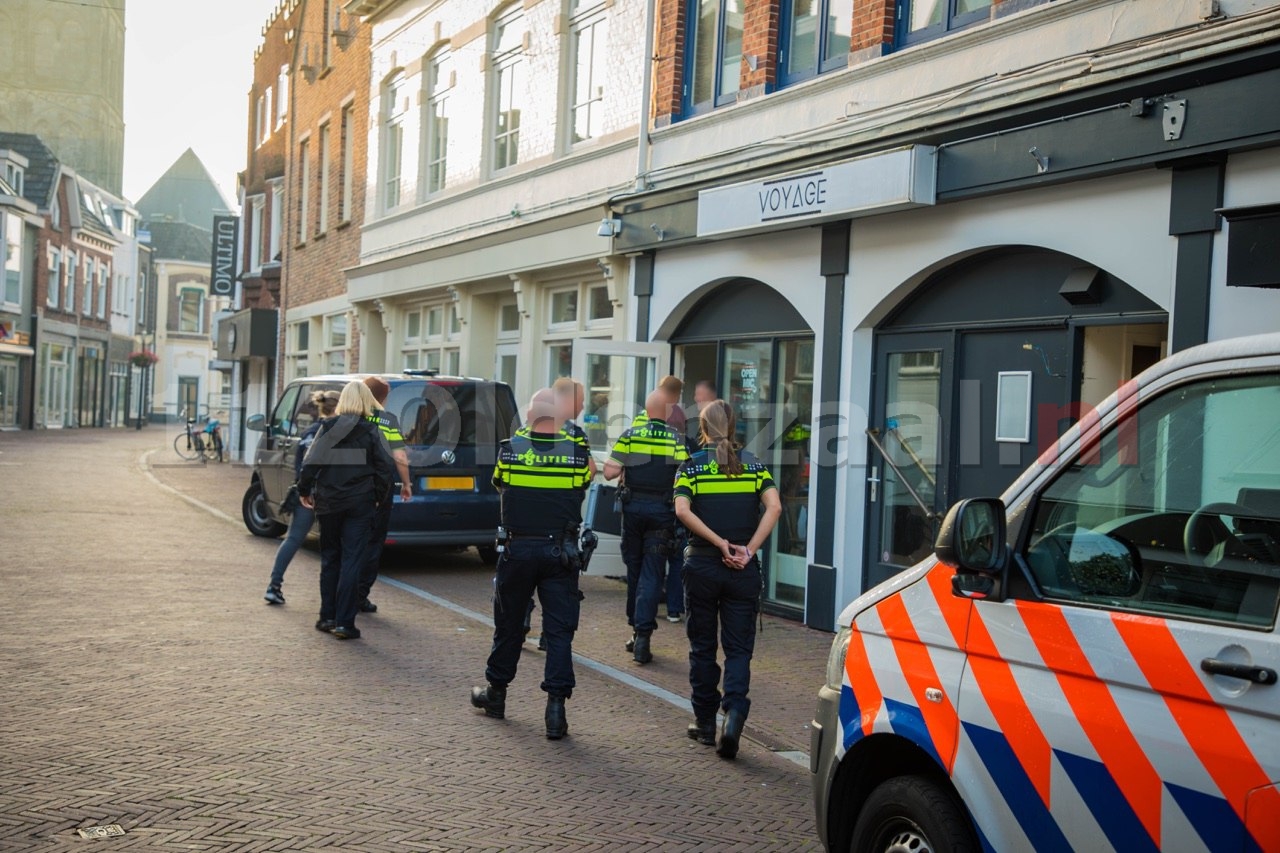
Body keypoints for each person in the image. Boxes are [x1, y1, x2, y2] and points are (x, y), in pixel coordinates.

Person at [470, 387, 592, 739]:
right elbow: (581, 487)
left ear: (529, 416)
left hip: (518, 550)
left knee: (508, 626)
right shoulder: (577, 453)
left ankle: (496, 696)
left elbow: (500, 486)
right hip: (561, 553)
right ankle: (556, 713)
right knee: (558, 633)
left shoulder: (509, 451)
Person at [673, 399, 781, 759]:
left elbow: (682, 509)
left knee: (702, 647)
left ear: (701, 428)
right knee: (738, 649)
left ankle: (705, 725)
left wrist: (718, 543)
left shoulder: (691, 467)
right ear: (733, 428)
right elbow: (775, 506)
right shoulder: (753, 465)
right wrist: (747, 550)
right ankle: (733, 715)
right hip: (742, 571)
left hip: (702, 567)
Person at [297, 380, 395, 640]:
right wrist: (377, 498)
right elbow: (385, 469)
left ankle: (326, 617)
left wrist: (304, 491)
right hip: (359, 504)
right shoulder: (373, 431)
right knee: (352, 561)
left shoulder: (327, 428)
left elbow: (310, 463)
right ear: (366, 401)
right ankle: (344, 623)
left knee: (330, 559)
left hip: (329, 502)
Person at [603, 389, 689, 664]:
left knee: (635, 570)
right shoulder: (676, 439)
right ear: (666, 414)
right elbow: (686, 472)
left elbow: (609, 471)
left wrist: (626, 466)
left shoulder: (630, 435)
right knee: (652, 573)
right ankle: (643, 636)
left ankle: (635, 629)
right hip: (662, 515)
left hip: (633, 512)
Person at [264, 389, 340, 605]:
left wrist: (304, 490)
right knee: (335, 545)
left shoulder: (310, 432)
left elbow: (303, 468)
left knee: (293, 539)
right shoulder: (338, 433)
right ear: (339, 407)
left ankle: (273, 586)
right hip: (329, 496)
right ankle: (337, 597)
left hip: (305, 494)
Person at [356, 376, 414, 614]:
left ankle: (342, 594)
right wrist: (406, 483)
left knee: (349, 541)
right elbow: (400, 457)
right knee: (373, 542)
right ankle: (360, 595)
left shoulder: (352, 418)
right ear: (382, 397)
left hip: (351, 487)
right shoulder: (388, 421)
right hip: (380, 487)